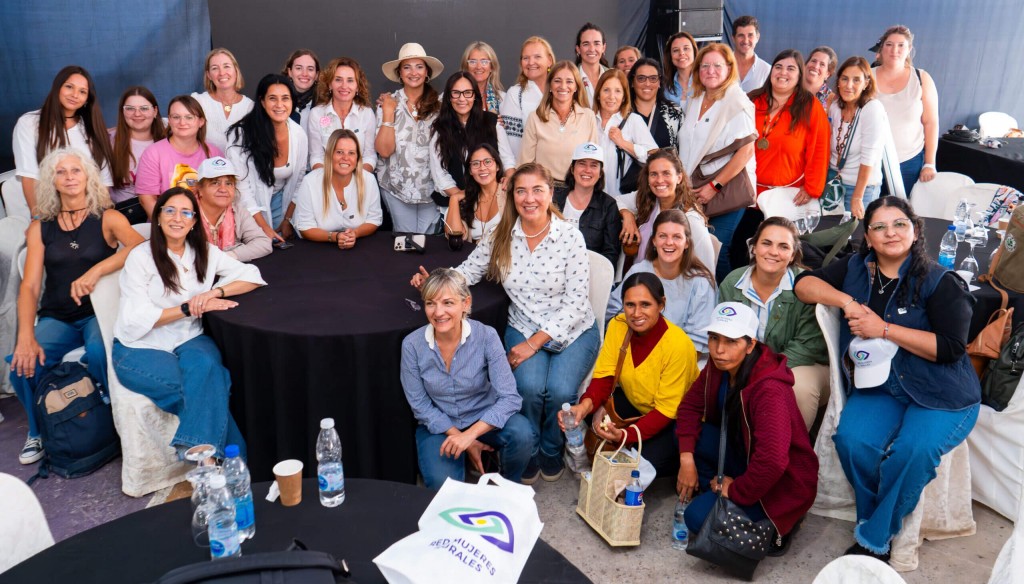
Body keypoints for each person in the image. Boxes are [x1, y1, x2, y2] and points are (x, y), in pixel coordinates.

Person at [793, 196, 979, 561]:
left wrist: (885, 329)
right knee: (852, 441)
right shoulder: (857, 267)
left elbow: (951, 348)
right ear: (869, 235)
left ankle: (874, 538)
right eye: (879, 226)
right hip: (881, 386)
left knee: (913, 451)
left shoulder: (940, 282)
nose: (890, 233)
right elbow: (804, 286)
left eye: (899, 224)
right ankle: (876, 513)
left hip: (940, 390)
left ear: (915, 230)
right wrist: (846, 302)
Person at [410, 163, 600, 483]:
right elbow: (469, 270)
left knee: (559, 390)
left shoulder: (570, 236)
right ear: (512, 196)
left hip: (572, 329)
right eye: (521, 191)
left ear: (550, 193)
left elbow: (576, 303)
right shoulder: (501, 235)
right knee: (526, 388)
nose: (529, 198)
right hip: (524, 321)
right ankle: (529, 451)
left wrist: (532, 344)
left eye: (537, 190)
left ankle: (552, 451)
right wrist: (440, 284)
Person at [7, 148, 143, 464]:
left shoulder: (108, 217)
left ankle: (110, 418)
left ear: (88, 177)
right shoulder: (41, 227)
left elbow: (140, 246)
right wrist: (25, 336)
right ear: (51, 181)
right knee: (21, 363)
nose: (69, 177)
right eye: (61, 172)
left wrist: (97, 269)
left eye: (76, 171)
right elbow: (28, 287)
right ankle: (38, 431)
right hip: (59, 315)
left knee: (98, 353)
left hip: (98, 311)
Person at [113, 187, 266, 458]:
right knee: (209, 386)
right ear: (158, 216)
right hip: (140, 347)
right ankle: (231, 463)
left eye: (186, 212)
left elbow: (251, 275)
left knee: (207, 369)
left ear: (194, 221)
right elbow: (134, 321)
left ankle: (205, 463)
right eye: (169, 210)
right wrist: (187, 308)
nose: (177, 218)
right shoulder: (140, 257)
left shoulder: (203, 251)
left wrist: (213, 293)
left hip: (189, 338)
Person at [676, 301, 818, 555]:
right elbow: (689, 408)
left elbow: (773, 462)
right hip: (744, 454)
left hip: (781, 481)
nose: (719, 349)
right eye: (714, 338)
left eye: (731, 341)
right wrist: (686, 460)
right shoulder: (719, 364)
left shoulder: (769, 389)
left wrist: (736, 490)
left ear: (751, 344)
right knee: (692, 437)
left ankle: (780, 523)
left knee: (696, 519)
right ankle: (717, 492)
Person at [400, 268, 535, 488]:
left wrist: (470, 435)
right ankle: (473, 455)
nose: (438, 312)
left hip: (483, 416)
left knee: (522, 434)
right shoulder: (412, 345)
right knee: (442, 486)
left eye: (448, 303)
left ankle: (508, 487)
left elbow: (510, 398)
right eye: (431, 303)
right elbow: (420, 405)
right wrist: (462, 438)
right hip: (440, 425)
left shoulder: (486, 336)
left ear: (465, 303)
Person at [563, 272, 699, 477]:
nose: (636, 313)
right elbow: (605, 376)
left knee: (636, 468)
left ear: (661, 305)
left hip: (673, 420)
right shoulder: (619, 325)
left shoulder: (679, 345)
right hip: (637, 404)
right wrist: (584, 407)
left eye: (645, 305)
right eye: (630, 305)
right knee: (587, 407)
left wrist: (624, 436)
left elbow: (666, 411)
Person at [719, 217, 829, 431]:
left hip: (802, 365)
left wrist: (763, 374)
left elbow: (808, 346)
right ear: (754, 247)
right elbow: (723, 334)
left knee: (798, 386)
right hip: (747, 366)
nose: (773, 252)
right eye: (766, 243)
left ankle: (789, 455)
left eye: (783, 246)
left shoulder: (805, 285)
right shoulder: (733, 283)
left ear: (792, 255)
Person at [733, 49, 829, 268]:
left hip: (785, 197)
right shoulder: (753, 100)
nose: (783, 73)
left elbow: (819, 148)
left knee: (775, 255)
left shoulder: (810, 106)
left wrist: (812, 188)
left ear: (799, 75)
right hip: (747, 193)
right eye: (778, 67)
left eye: (790, 68)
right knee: (740, 250)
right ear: (771, 71)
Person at [677, 43, 756, 282]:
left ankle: (728, 303)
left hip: (725, 192)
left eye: (717, 66)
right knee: (696, 250)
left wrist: (714, 187)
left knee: (715, 251)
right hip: (693, 190)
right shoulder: (696, 98)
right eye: (705, 65)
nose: (710, 70)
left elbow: (746, 152)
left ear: (729, 68)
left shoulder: (736, 102)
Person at [608, 209, 716, 356]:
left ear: (687, 243)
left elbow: (697, 343)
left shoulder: (701, 283)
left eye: (677, 237)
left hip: (679, 358)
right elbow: (613, 313)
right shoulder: (638, 271)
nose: (669, 242)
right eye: (662, 236)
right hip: (635, 351)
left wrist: (659, 362)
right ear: (653, 241)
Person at [12, 65, 113, 215]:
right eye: (69, 87)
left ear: (87, 99)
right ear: (57, 88)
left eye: (82, 91)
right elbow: (30, 176)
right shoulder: (29, 123)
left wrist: (103, 219)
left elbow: (104, 180)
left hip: (90, 212)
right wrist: (38, 219)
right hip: (49, 212)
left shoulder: (91, 128)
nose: (75, 95)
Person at [225, 74, 309, 242]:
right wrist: (264, 227)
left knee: (286, 245)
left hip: (280, 201)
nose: (279, 105)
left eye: (285, 98)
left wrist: (287, 220)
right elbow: (241, 188)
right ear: (262, 102)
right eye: (272, 98)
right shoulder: (240, 135)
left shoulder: (298, 134)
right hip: (246, 205)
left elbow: (299, 180)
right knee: (259, 245)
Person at [376, 43, 444, 233]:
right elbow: (384, 151)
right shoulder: (388, 103)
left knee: (428, 244)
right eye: (407, 67)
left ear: (427, 72)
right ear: (399, 73)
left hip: (432, 189)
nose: (413, 72)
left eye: (419, 66)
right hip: (396, 188)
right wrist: (388, 112)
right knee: (405, 243)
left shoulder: (441, 106)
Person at [872, 25, 939, 196]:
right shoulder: (866, 77)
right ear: (881, 48)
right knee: (866, 214)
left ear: (909, 49)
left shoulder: (921, 78)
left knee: (899, 214)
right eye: (889, 44)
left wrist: (929, 163)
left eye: (901, 45)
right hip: (870, 161)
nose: (895, 50)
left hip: (909, 162)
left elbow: (930, 122)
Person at [135, 95, 223, 218]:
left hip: (207, 224)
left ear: (201, 122)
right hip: (167, 226)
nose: (182, 122)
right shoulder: (153, 153)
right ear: (169, 120)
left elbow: (221, 195)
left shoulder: (214, 154)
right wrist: (169, 227)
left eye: (189, 117)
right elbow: (147, 199)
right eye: (176, 117)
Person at [292, 129, 382, 247]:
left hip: (357, 246)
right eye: (339, 152)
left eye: (351, 153)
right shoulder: (310, 181)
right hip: (316, 248)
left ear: (357, 158)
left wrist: (355, 233)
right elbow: (305, 227)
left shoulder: (369, 180)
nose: (345, 157)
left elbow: (374, 220)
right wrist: (334, 237)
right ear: (330, 155)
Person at [517, 61, 599, 186]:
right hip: (544, 190)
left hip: (578, 190)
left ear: (576, 87)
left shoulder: (588, 116)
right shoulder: (535, 117)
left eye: (569, 81)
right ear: (550, 86)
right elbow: (525, 164)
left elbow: (593, 161)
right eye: (557, 81)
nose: (563, 86)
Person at [633, 149, 715, 273]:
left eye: (666, 173)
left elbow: (707, 270)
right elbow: (618, 200)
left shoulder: (691, 221)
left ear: (679, 178)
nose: (660, 180)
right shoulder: (651, 203)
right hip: (643, 278)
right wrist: (627, 216)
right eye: (654, 174)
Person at [429, 72, 499, 207]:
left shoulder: (492, 122)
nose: (462, 99)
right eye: (456, 93)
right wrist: (462, 197)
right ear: (449, 97)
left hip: (492, 202)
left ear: (475, 96)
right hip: (456, 203)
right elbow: (439, 173)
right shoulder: (440, 128)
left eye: (467, 93)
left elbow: (506, 160)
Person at [829, 57, 887, 219]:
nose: (849, 85)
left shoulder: (872, 109)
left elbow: (869, 157)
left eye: (856, 80)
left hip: (860, 189)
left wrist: (857, 197)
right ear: (838, 81)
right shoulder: (834, 106)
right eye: (845, 79)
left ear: (866, 84)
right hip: (834, 184)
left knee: (856, 239)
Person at [593, 69, 657, 202]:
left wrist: (622, 143)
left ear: (624, 97)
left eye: (617, 91)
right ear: (598, 94)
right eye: (606, 90)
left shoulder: (633, 120)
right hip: (591, 200)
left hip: (622, 201)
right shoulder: (589, 120)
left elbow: (654, 157)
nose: (611, 96)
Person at [553, 142, 620, 266]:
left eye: (594, 165)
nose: (587, 170)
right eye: (582, 164)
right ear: (572, 169)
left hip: (591, 274)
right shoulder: (553, 197)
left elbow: (611, 253)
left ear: (600, 173)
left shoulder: (608, 206)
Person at [194, 157, 272, 261]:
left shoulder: (238, 210)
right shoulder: (186, 212)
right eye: (215, 183)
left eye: (228, 183)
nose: (223, 189)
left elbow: (263, 243)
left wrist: (230, 256)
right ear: (200, 190)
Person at [307, 57, 377, 172]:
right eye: (338, 80)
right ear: (330, 84)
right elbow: (316, 157)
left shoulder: (367, 114)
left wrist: (357, 181)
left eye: (350, 80)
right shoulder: (317, 114)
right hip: (325, 180)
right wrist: (327, 183)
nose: (344, 86)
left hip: (359, 180)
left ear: (357, 86)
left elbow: (369, 156)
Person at [108, 86, 166, 224]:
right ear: (122, 112)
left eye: (144, 108)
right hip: (124, 220)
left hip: (163, 218)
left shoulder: (170, 140)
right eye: (130, 108)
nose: (137, 114)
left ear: (155, 111)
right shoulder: (108, 141)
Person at [498, 36, 555, 166]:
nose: (531, 62)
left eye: (537, 57)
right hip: (527, 171)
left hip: (562, 172)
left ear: (549, 60)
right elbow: (511, 142)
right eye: (526, 58)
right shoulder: (515, 94)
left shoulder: (562, 90)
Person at [191, 48, 254, 153]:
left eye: (227, 66)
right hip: (205, 167)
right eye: (215, 68)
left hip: (241, 169)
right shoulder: (198, 102)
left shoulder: (251, 107)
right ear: (209, 75)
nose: (222, 73)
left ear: (236, 70)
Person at [443, 144, 505, 243]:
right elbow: (454, 236)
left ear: (497, 166)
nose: (482, 168)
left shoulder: (509, 193)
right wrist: (453, 199)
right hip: (474, 256)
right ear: (470, 171)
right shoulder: (467, 200)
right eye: (476, 164)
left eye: (488, 162)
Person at [628, 58, 683, 150]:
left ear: (659, 82)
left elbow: (683, 150)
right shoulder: (622, 113)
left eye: (653, 78)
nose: (647, 83)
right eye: (641, 78)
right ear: (632, 82)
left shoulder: (674, 112)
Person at [281, 49, 321, 134]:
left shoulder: (324, 104)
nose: (304, 74)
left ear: (317, 75)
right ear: (290, 72)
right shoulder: (278, 102)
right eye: (299, 68)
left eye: (310, 69)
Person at [461, 41, 505, 113]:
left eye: (484, 62)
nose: (478, 67)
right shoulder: (452, 97)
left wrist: (502, 123)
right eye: (473, 62)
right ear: (466, 67)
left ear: (492, 67)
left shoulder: (503, 99)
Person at [732, 15, 771, 92]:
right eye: (741, 35)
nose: (746, 41)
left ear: (757, 37)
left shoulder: (767, 71)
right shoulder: (721, 66)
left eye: (750, 35)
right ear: (733, 39)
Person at [574, 22, 609, 107]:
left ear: (603, 48)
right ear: (578, 49)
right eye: (586, 44)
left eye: (597, 43)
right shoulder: (570, 78)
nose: (592, 49)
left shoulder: (614, 76)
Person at [663, 32, 698, 110]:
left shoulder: (705, 82)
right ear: (670, 56)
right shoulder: (665, 88)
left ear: (694, 52)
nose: (681, 53)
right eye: (675, 50)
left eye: (686, 48)